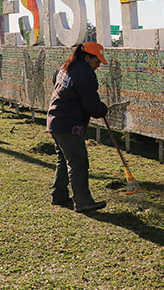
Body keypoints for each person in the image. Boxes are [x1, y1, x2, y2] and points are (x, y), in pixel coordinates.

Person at [46, 42, 109, 212]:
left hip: (55, 120)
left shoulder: (67, 66)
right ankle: (82, 202)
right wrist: (102, 109)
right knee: (78, 162)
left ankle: (58, 196)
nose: (98, 66)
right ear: (87, 57)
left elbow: (54, 80)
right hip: (68, 124)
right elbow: (91, 105)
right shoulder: (85, 73)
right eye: (97, 62)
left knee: (64, 160)